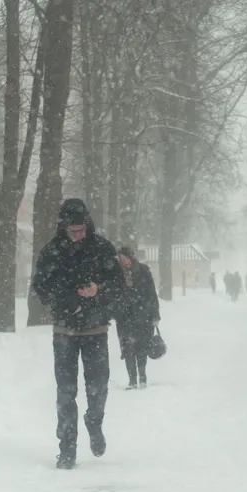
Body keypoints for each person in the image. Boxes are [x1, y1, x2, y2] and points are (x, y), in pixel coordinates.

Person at [31, 198, 124, 470]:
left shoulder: (103, 248)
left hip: (96, 328)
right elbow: (40, 288)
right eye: (73, 231)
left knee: (98, 387)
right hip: (64, 330)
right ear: (63, 228)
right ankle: (67, 448)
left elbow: (118, 285)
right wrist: (68, 297)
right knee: (66, 391)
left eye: (82, 229)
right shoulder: (52, 252)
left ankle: (94, 422)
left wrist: (98, 290)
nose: (78, 235)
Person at [114, 246, 160, 390]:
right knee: (127, 349)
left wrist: (155, 313)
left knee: (141, 347)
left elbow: (151, 293)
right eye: (121, 259)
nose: (123, 261)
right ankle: (132, 380)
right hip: (124, 317)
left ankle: (142, 376)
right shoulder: (116, 274)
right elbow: (112, 294)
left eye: (125, 258)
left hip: (142, 315)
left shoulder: (143, 271)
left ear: (131, 257)